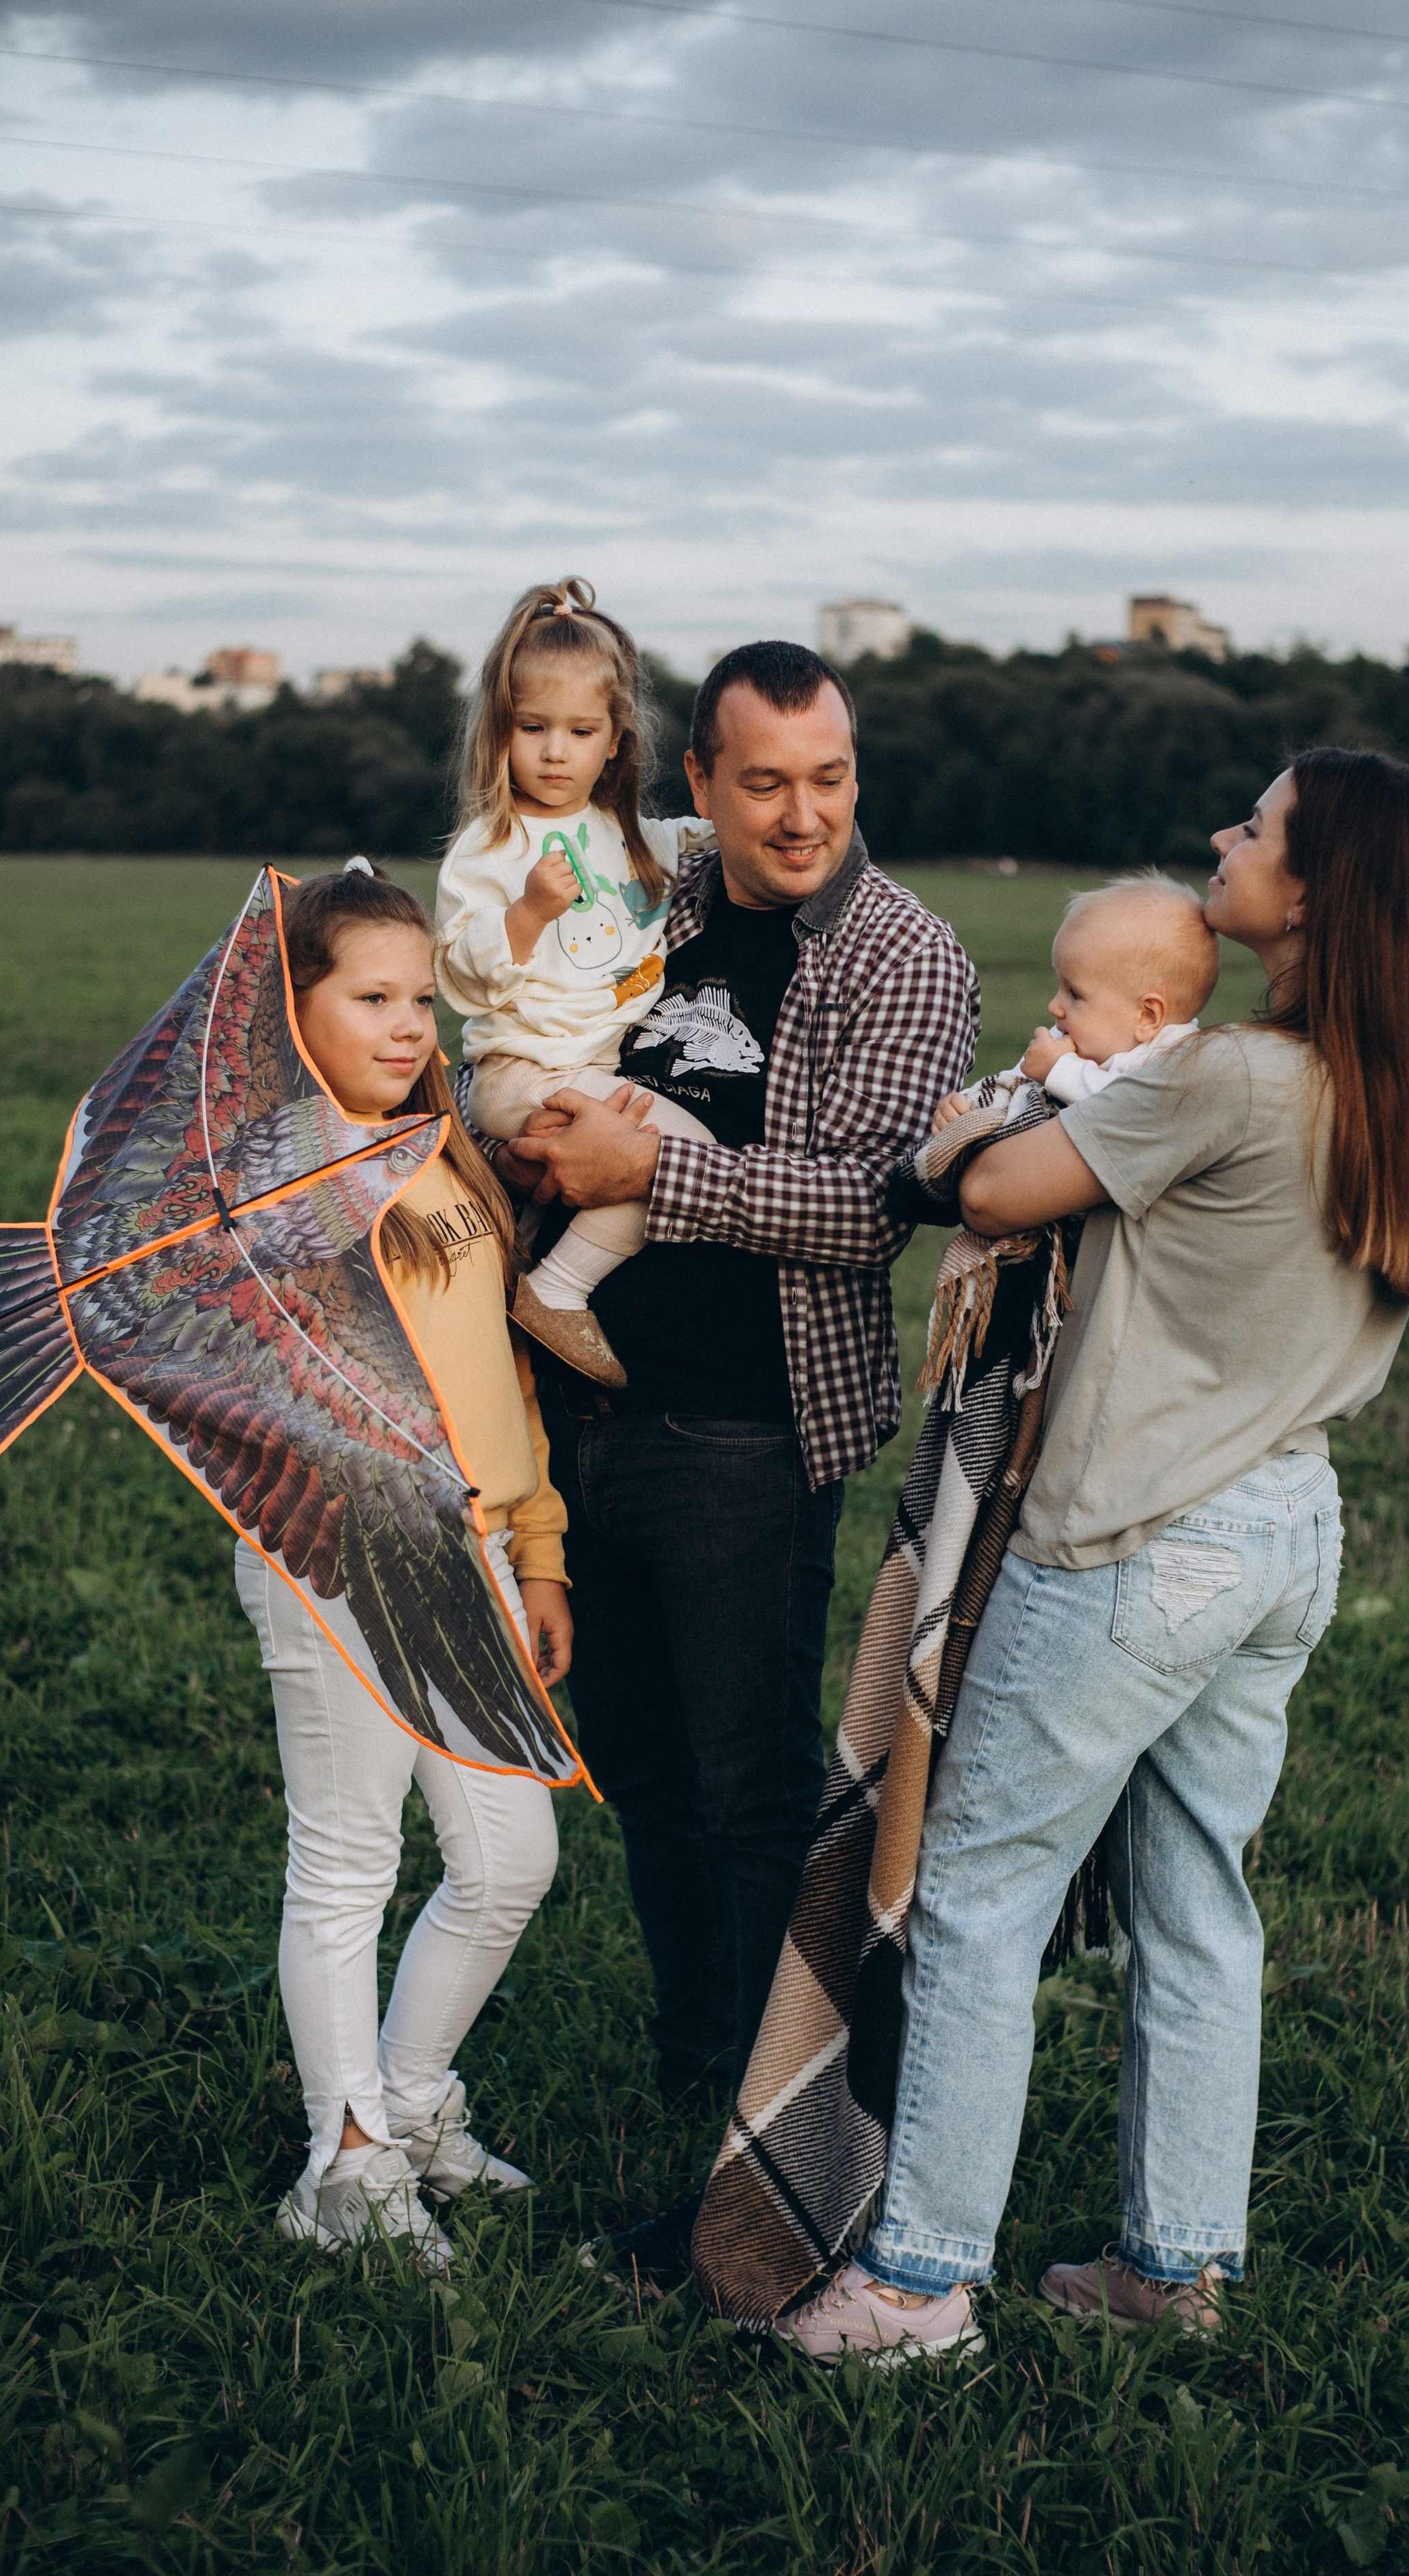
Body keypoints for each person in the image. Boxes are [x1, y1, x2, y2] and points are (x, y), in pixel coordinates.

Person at [776, 745, 1409, 2362]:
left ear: (1309, 892)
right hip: (1282, 1532)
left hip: (1131, 1536)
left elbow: (991, 1185)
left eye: (1251, 826)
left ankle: (912, 2284)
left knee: (971, 1899)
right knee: (1194, 1906)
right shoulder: (1398, 1087)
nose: (1218, 839)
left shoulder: (1224, 1077)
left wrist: (1001, 1094)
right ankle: (1171, 2267)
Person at [491, 641, 980, 2280]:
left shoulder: (903, 952)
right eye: (762, 779)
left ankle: (785, 2113)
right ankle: (696, 2043)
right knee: (630, 1749)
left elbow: (874, 1205)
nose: (802, 813)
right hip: (578, 1409)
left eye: (828, 776)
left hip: (748, 1420)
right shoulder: (649, 893)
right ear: (695, 779)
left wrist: (656, 1168)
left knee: (747, 1774)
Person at [244, 865, 574, 2271]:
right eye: (369, 1000)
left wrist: (538, 1543)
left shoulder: (437, 1147)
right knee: (349, 1859)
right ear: (290, 1008)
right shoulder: (277, 1172)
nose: (404, 1027)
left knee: (511, 1860)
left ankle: (414, 2096)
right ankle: (347, 2162)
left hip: (481, 1551)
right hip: (346, 1552)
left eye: (418, 1002)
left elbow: (495, 1362)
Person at [434, 577, 717, 1388]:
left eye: (579, 730)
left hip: (595, 1072)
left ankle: (520, 1263)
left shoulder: (631, 841)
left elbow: (715, 833)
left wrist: (749, 816)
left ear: (615, 742)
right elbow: (457, 975)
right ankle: (557, 1293)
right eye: (533, 728)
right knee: (669, 1158)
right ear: (500, 732)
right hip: (519, 1073)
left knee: (672, 1157)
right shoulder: (488, 849)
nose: (555, 752)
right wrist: (524, 914)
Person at [931, 871, 1219, 1131]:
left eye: (1075, 994)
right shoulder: (1070, 1041)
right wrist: (964, 1105)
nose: (1054, 1007)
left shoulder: (1175, 1063)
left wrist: (1058, 1070)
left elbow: (1134, 1110)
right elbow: (1009, 1083)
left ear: (1147, 1017)